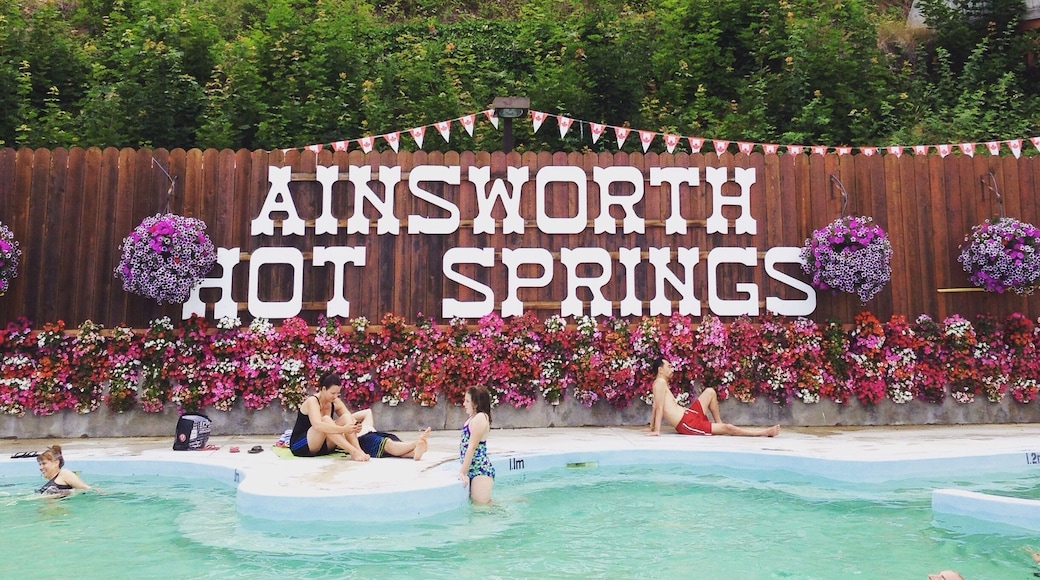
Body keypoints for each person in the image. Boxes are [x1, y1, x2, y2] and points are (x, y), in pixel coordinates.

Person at [648, 358, 780, 437]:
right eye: (669, 367)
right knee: (728, 428)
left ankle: (719, 423)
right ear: (660, 370)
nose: (672, 369)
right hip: (687, 424)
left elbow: (655, 406)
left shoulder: (661, 383)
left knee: (710, 392)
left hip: (689, 414)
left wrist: (652, 427)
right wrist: (657, 431)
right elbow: (658, 408)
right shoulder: (660, 383)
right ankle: (763, 433)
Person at [289, 373, 370, 461]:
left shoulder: (335, 402)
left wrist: (356, 426)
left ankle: (358, 450)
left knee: (346, 417)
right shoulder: (313, 401)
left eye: (337, 393)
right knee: (326, 419)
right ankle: (353, 451)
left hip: (323, 446)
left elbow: (350, 419)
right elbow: (317, 425)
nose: (335, 396)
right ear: (324, 389)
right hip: (302, 445)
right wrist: (343, 429)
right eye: (333, 393)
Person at [348, 407, 431, 460]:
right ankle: (415, 444)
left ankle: (415, 452)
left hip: (376, 434)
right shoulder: (346, 430)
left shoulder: (366, 424)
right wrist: (347, 421)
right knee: (389, 444)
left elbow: (367, 412)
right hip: (364, 438)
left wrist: (350, 418)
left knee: (396, 448)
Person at [458, 385, 494, 504]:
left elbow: (472, 447)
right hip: (473, 469)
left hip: (480, 470)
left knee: (481, 508)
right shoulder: (473, 417)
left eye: (467, 401)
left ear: (476, 403)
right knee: (480, 505)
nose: (464, 404)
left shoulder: (480, 418)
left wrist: (462, 472)